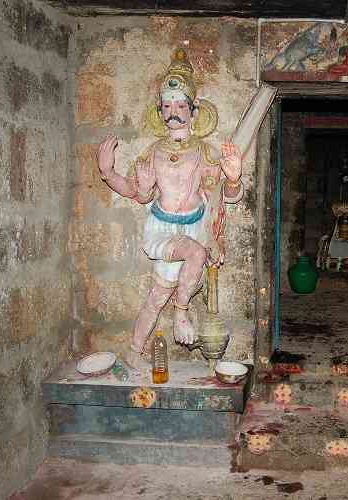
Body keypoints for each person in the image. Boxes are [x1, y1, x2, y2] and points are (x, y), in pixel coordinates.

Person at [96, 48, 244, 370]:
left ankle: (146, 341)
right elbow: (136, 192)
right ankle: (172, 321)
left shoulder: (205, 152)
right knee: (168, 284)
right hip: (162, 228)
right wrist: (108, 173)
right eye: (167, 106)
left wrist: (233, 178)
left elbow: (224, 197)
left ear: (193, 110)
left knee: (162, 292)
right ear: (160, 112)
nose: (173, 112)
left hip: (194, 226)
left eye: (180, 106)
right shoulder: (153, 152)